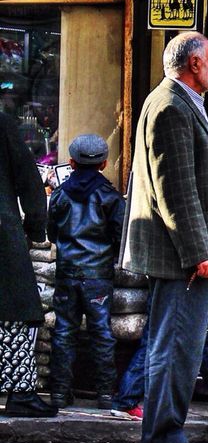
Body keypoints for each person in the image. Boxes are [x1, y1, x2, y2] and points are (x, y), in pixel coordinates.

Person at [122, 31, 208, 443]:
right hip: (181, 258)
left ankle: (162, 435)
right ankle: (165, 437)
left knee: (175, 345)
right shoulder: (171, 105)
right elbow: (177, 190)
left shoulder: (176, 101)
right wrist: (198, 252)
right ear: (193, 65)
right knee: (176, 348)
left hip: (183, 254)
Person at [47, 134, 125, 409]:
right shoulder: (111, 197)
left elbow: (52, 232)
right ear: (104, 164)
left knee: (64, 331)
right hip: (97, 276)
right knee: (101, 333)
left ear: (70, 163)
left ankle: (59, 393)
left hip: (67, 273)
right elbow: (119, 236)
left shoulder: (59, 195)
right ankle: (105, 394)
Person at [0, 111, 57, 417]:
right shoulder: (3, 125)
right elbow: (29, 181)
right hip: (3, 234)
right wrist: (36, 229)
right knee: (13, 312)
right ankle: (20, 392)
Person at [111, 312, 208, 421]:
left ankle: (126, 400)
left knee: (152, 343)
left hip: (163, 294)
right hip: (185, 295)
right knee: (205, 347)